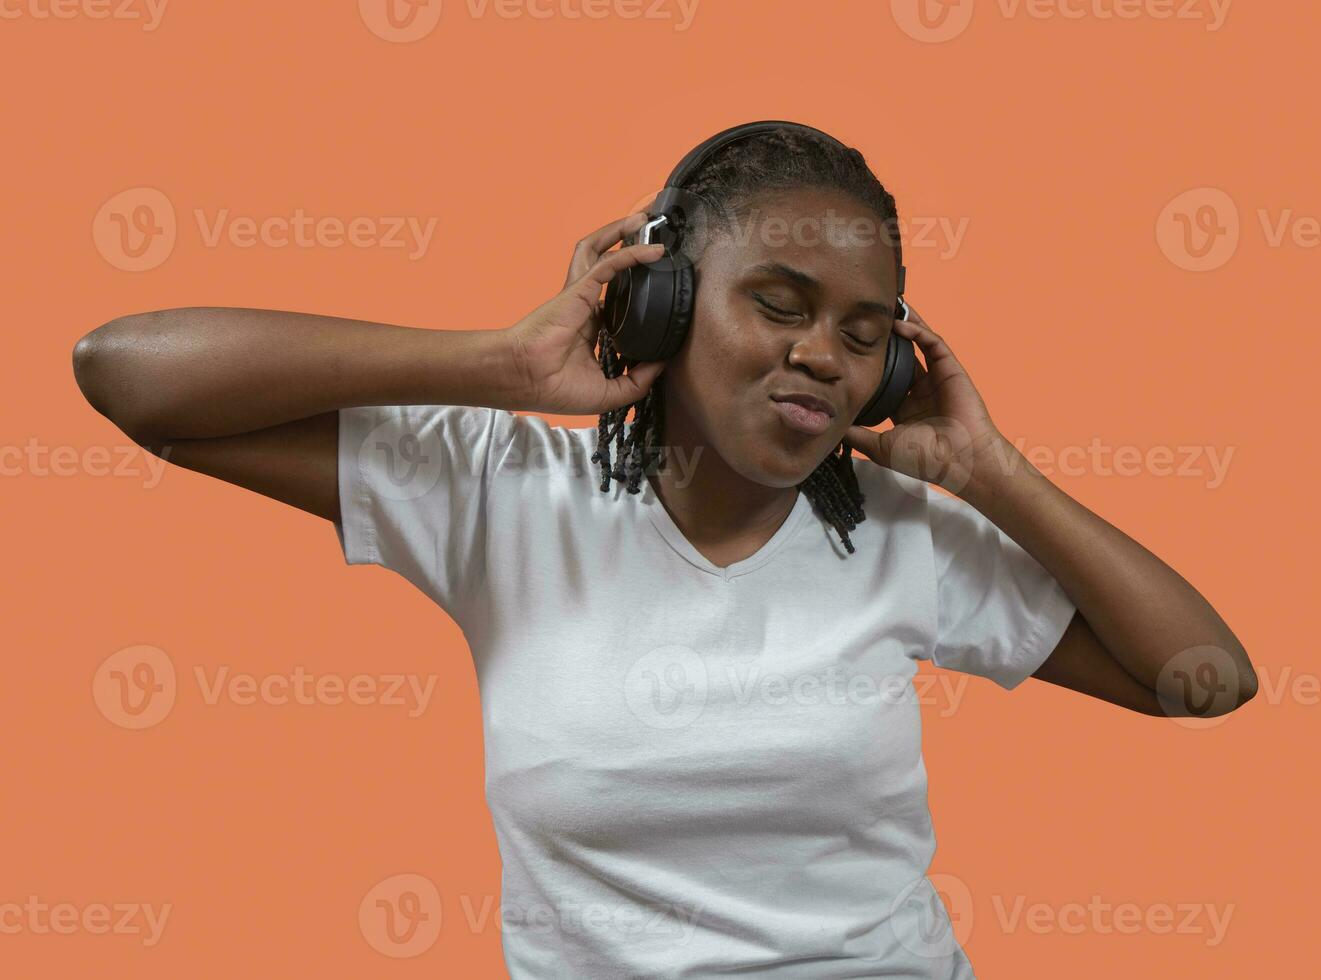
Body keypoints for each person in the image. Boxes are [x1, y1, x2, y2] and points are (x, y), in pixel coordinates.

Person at [72, 123, 1256, 978]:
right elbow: (131, 374)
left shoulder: (907, 535)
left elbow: (1202, 675)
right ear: (664, 306)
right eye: (780, 304)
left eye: (863, 334)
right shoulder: (501, 491)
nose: (822, 356)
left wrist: (990, 471)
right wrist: (499, 365)